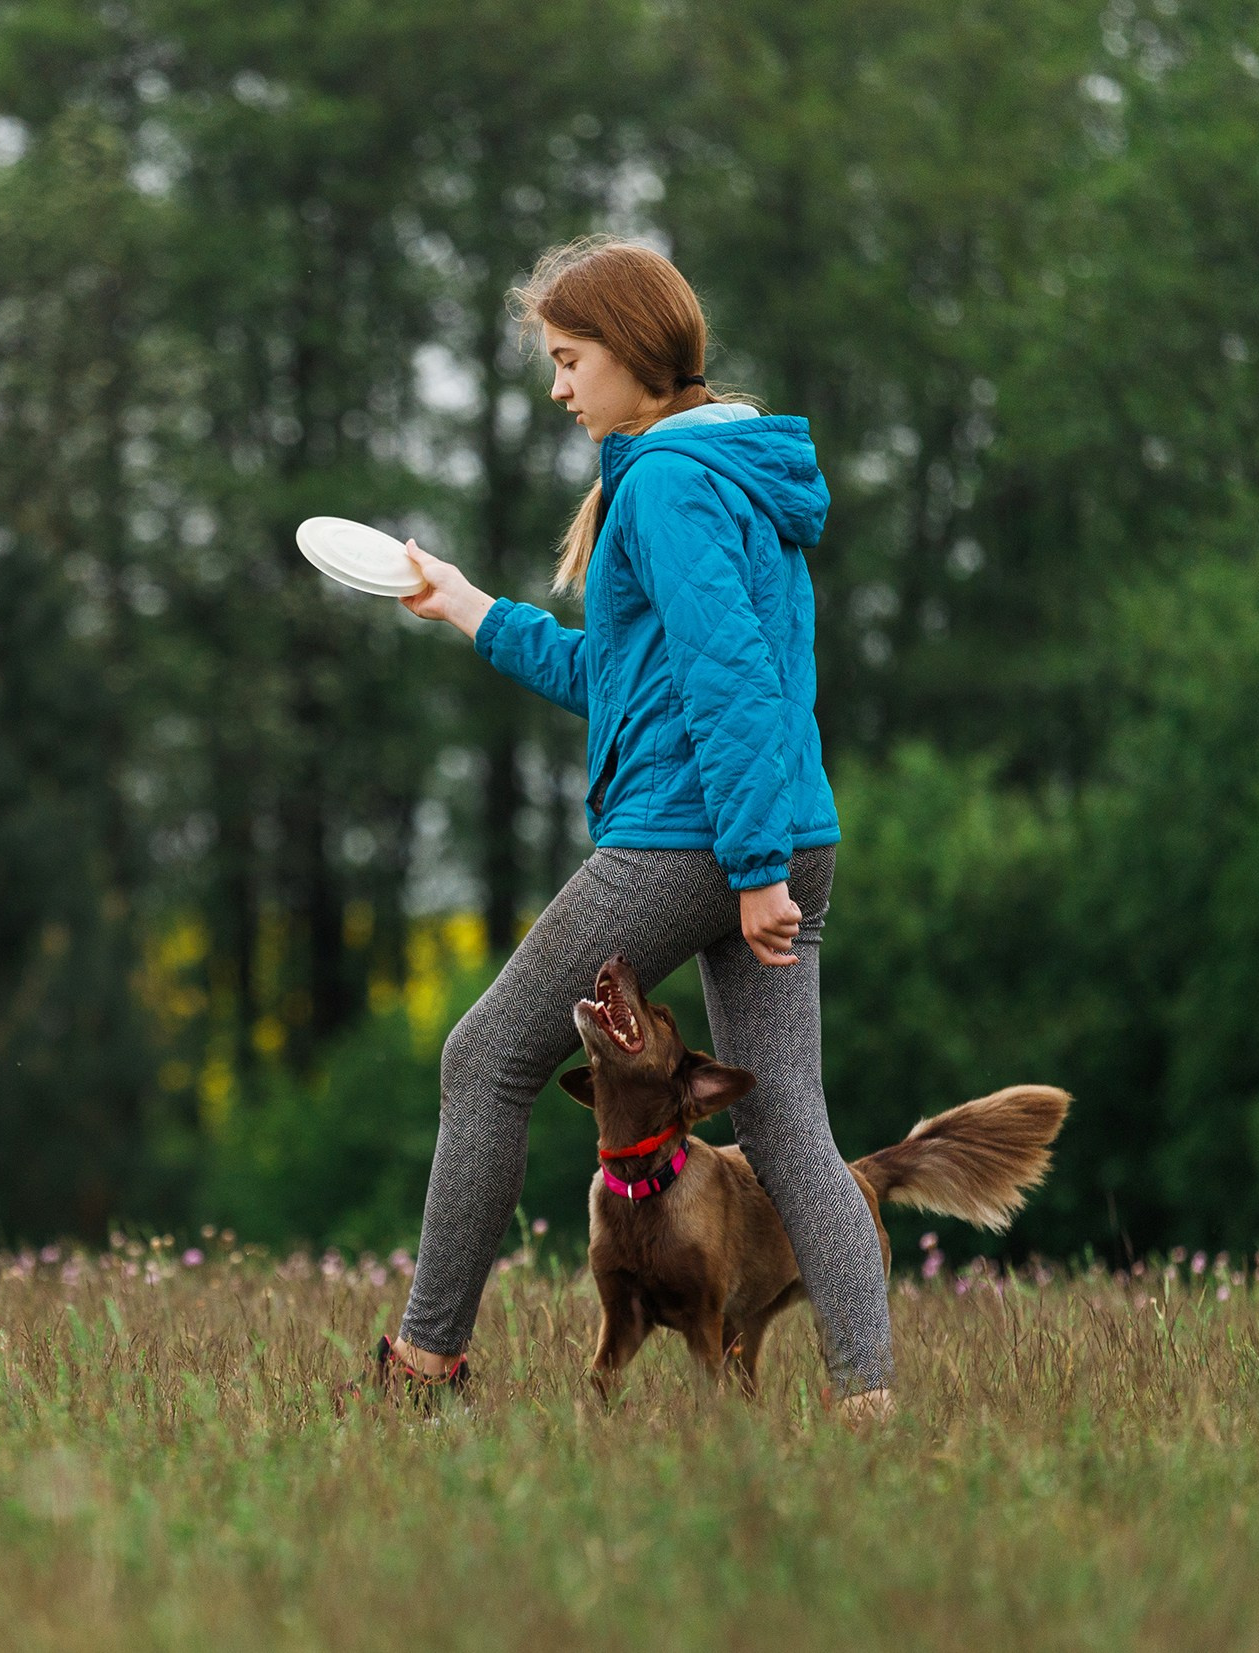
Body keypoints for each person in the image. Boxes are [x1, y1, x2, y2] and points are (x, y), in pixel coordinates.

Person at [373, 234, 894, 1422]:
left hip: (695, 839)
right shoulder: (723, 469)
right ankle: (869, 1407)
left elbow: (729, 679)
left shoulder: (662, 481)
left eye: (568, 360)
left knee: (484, 1058)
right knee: (788, 1127)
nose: (557, 389)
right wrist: (466, 606)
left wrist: (749, 868)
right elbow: (626, 683)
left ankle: (423, 1368)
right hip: (776, 830)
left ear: (630, 350)